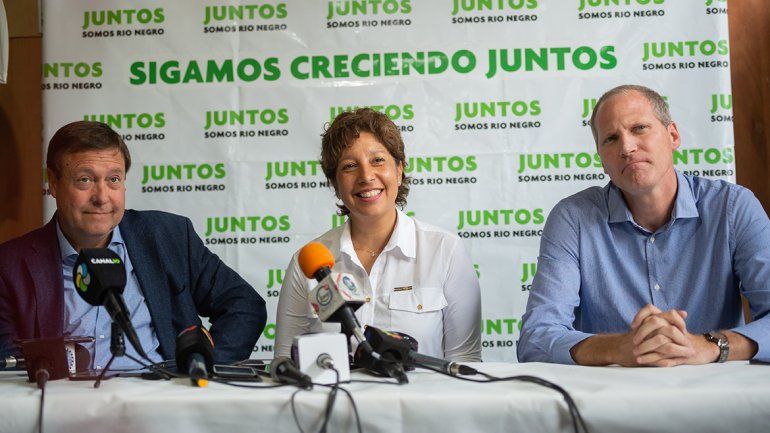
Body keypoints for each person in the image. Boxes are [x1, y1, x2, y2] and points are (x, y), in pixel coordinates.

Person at [518, 85, 770, 366]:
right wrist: (620, 347)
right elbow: (536, 338)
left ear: (673, 135)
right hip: (610, 401)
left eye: (639, 128)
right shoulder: (573, 218)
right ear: (601, 159)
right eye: (611, 139)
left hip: (716, 399)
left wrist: (709, 346)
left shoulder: (733, 207)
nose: (627, 147)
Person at [0, 121, 266, 368]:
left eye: (113, 179)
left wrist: (204, 364)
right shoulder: (10, 265)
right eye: (85, 180)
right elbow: (9, 362)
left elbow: (244, 304)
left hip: (159, 401)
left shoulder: (168, 236)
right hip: (65, 408)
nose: (102, 197)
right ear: (54, 183)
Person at [275, 108, 481, 361]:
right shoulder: (306, 262)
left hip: (420, 400)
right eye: (350, 166)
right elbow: (285, 360)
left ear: (399, 169)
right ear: (335, 185)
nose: (366, 176)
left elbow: (464, 361)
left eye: (377, 160)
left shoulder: (445, 250)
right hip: (333, 400)